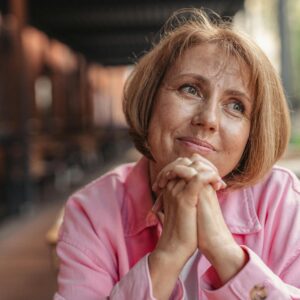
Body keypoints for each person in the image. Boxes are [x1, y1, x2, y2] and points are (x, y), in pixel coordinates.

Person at [54, 8, 300, 300]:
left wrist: (224, 252)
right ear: (150, 98)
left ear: (253, 132)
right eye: (190, 89)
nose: (208, 119)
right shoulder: (91, 211)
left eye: (236, 106)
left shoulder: (283, 199)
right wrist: (168, 255)